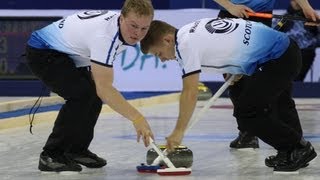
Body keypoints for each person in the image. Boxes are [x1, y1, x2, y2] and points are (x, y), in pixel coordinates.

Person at [140, 18, 317, 172]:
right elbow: (231, 38)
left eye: (159, 54)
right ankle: (291, 152)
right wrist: (237, 67)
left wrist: (178, 132)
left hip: (278, 57)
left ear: (167, 40)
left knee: (247, 112)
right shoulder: (191, 29)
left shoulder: (185, 44)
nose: (162, 59)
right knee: (278, 102)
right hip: (284, 51)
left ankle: (297, 147)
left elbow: (190, 92)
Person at [25, 0, 154, 173]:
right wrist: (138, 118)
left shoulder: (117, 29)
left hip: (68, 53)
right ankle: (51, 154)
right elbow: (105, 89)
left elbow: (101, 88)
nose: (138, 33)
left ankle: (76, 150)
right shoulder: (105, 37)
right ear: (121, 18)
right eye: (133, 26)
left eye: (144, 28)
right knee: (82, 95)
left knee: (92, 94)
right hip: (43, 51)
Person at [212, 0, 320, 149]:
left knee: (275, 81)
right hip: (231, 15)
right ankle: (247, 133)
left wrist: (306, 7)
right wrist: (230, 6)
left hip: (260, 16)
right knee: (235, 80)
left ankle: (295, 142)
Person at [273, 0, 319, 82]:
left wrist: (314, 34)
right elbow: (272, 36)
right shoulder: (282, 18)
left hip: (305, 52)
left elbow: (317, 40)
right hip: (287, 52)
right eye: (294, 1)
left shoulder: (312, 19)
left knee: (306, 54)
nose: (297, 3)